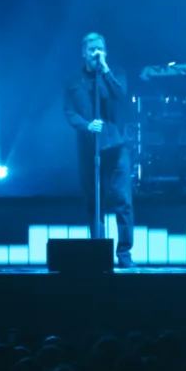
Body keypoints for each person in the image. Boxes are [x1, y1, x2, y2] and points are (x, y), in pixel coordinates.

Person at [63, 31, 136, 264]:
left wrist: (105, 70)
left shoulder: (116, 74)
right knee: (94, 200)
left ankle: (124, 253)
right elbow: (69, 111)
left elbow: (120, 95)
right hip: (89, 147)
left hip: (117, 146)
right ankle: (99, 252)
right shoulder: (74, 80)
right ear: (83, 52)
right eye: (92, 49)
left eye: (101, 49)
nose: (96, 52)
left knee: (122, 199)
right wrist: (86, 125)